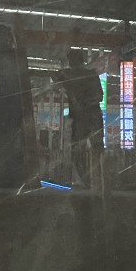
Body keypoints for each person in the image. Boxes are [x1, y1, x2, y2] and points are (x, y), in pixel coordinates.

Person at [52, 49, 103, 187]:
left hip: (81, 117)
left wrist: (79, 102)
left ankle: (86, 181)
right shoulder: (90, 75)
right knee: (96, 149)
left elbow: (54, 80)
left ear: (71, 62)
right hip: (93, 116)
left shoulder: (68, 75)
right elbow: (99, 96)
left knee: (78, 150)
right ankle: (96, 181)